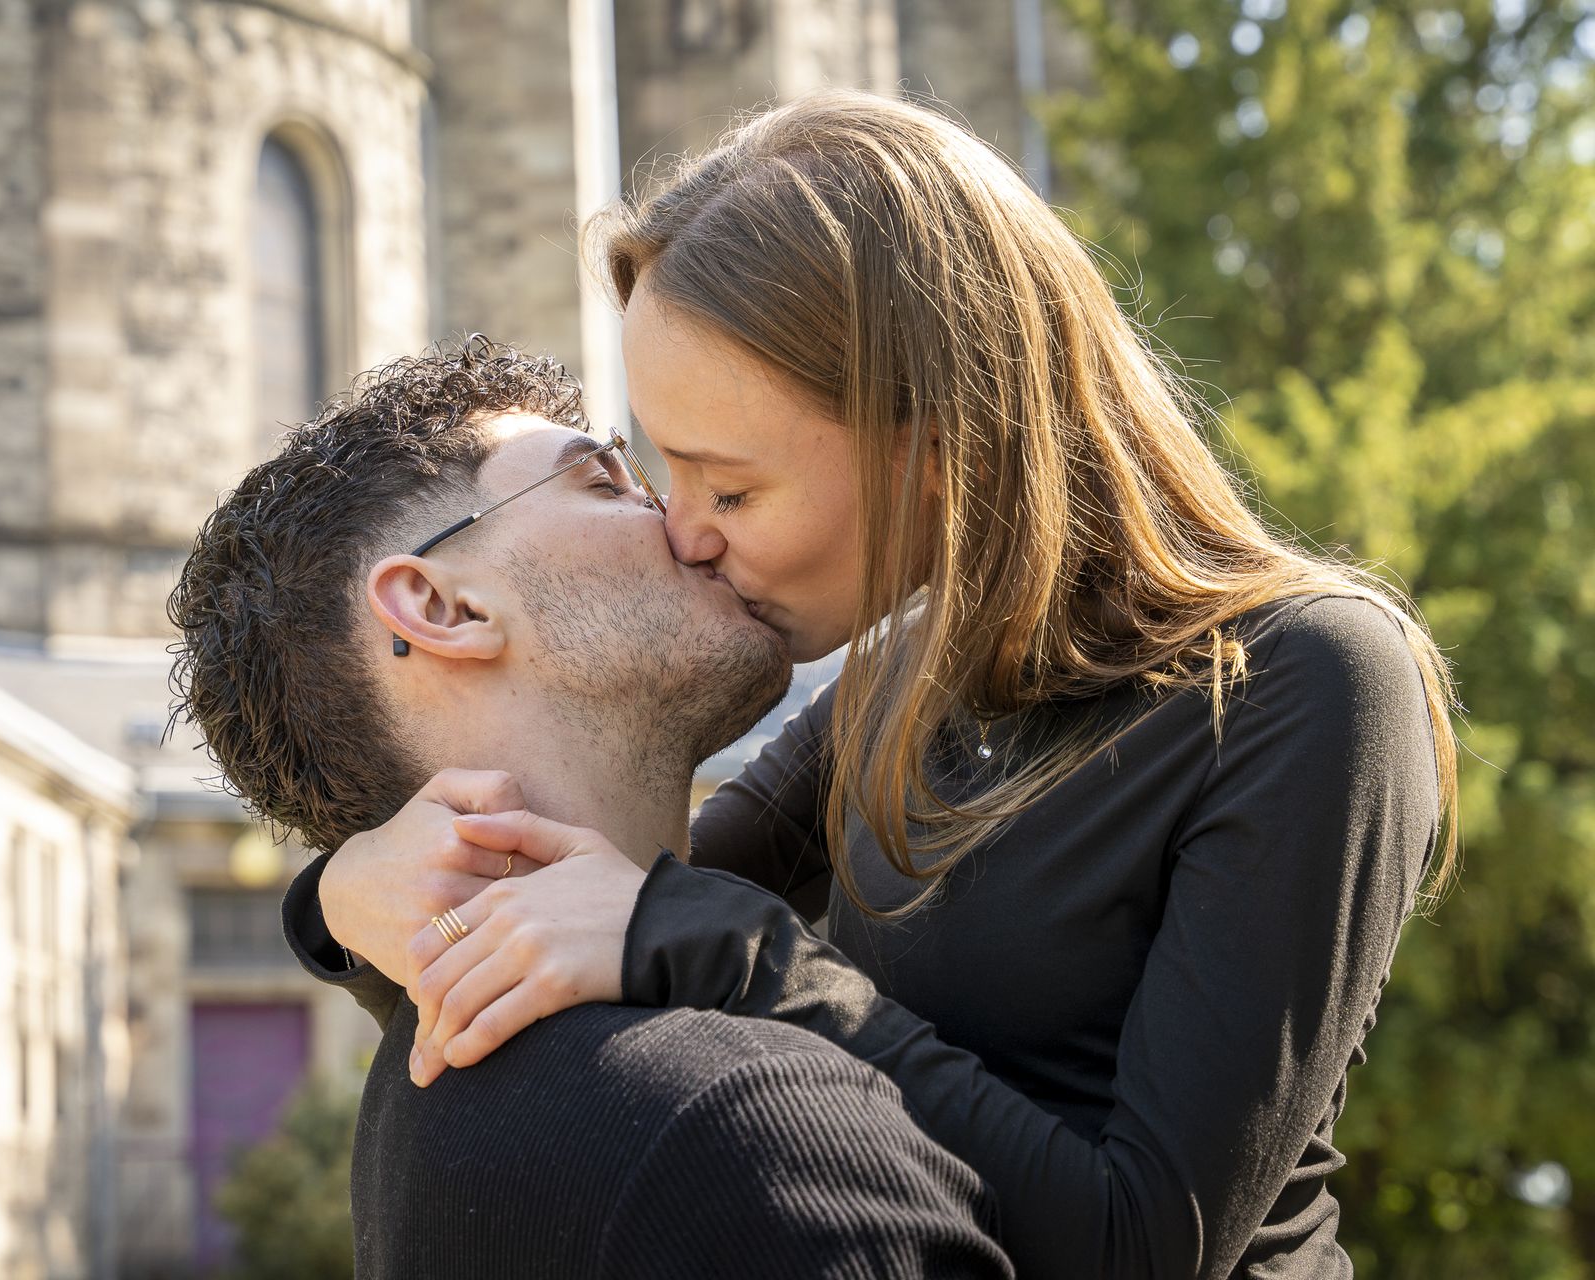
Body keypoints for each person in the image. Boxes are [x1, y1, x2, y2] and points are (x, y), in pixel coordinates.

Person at [293, 91, 1458, 1279]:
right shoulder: (906, 672)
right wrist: (343, 896)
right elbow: (594, 931)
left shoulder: (1307, 680)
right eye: (663, 473)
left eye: (730, 490)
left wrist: (734, 949)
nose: (682, 534)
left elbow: (1146, 1240)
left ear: (941, 438)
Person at [166, 338, 1015, 1280]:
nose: (687, 525)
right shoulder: (745, 1129)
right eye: (605, 481)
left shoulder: (433, 1086)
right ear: (442, 607)